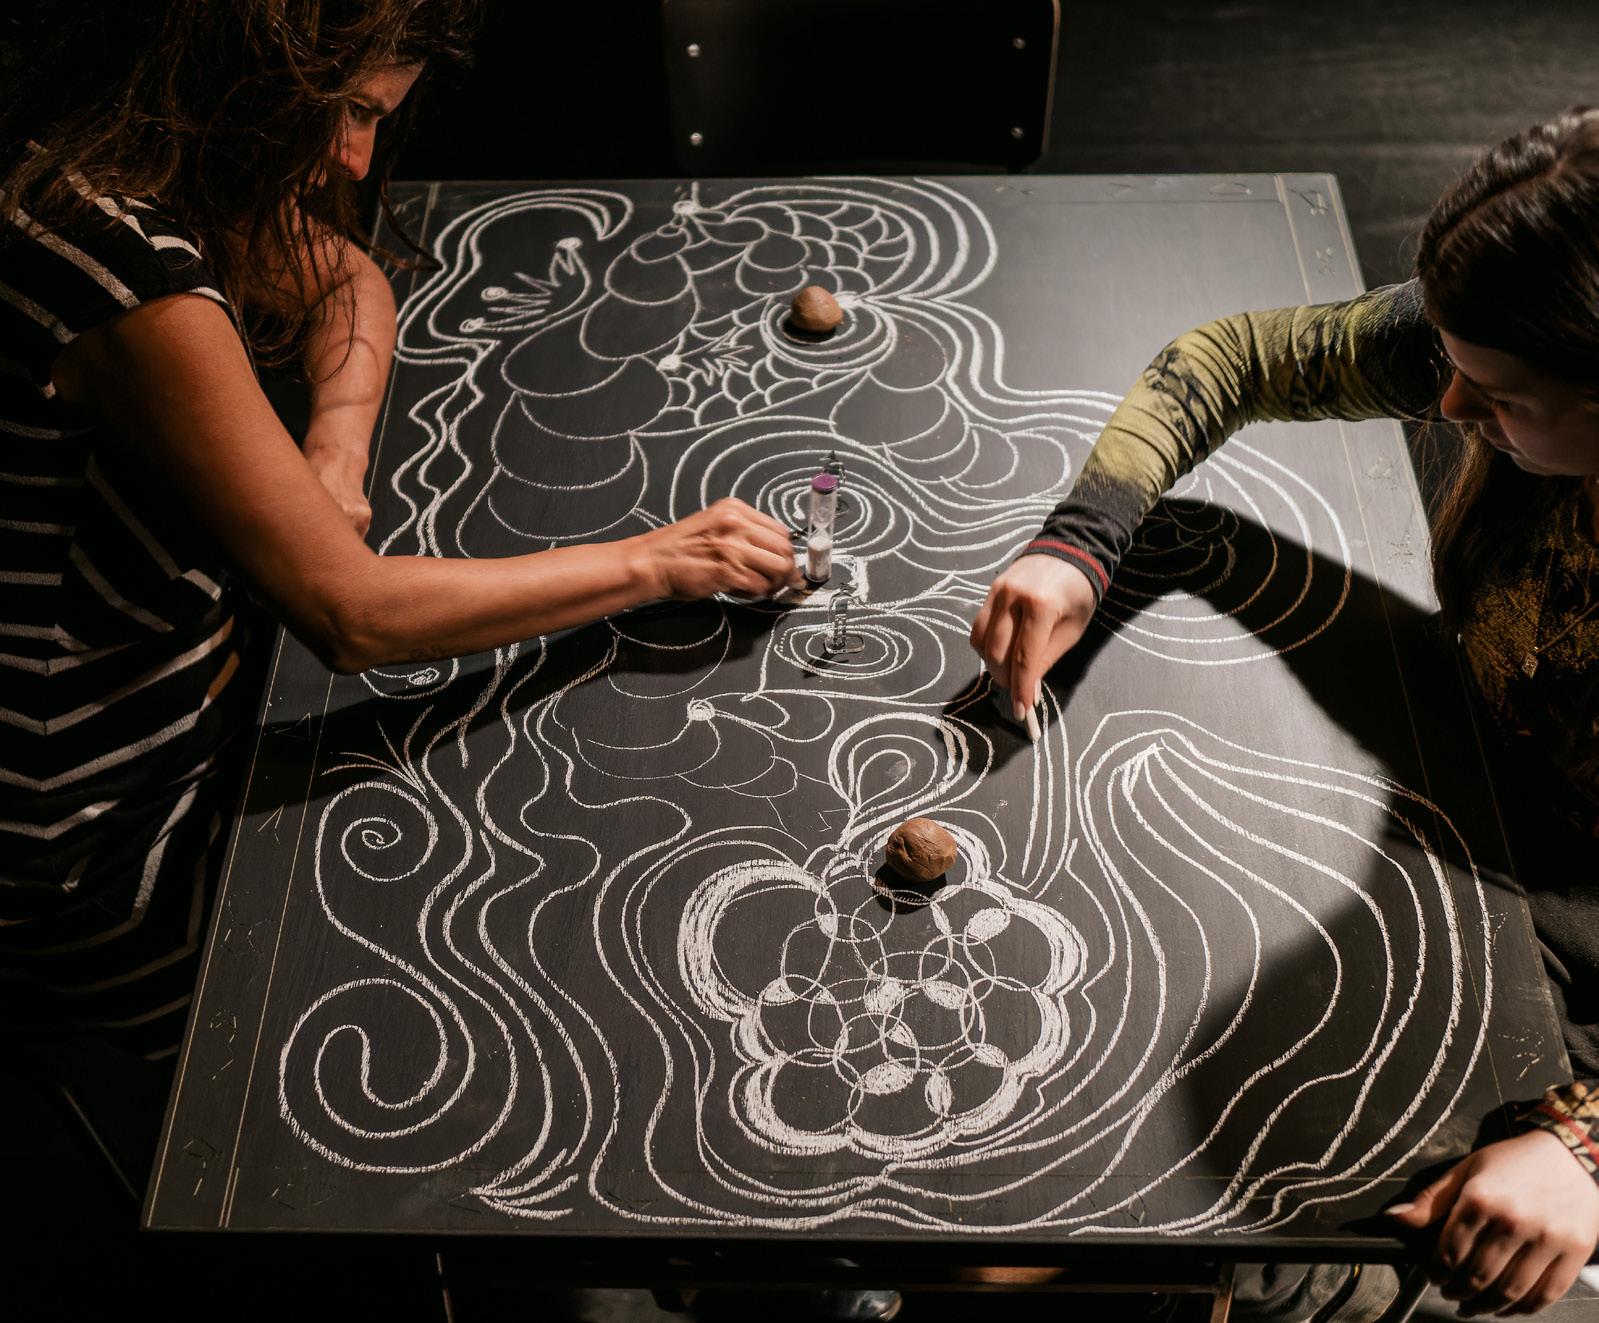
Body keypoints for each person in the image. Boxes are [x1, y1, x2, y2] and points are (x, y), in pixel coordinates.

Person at [0, 0, 797, 1118]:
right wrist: (661, 561)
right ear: (250, 63)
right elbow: (354, 616)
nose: (357, 158)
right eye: (350, 110)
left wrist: (334, 447)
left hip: (204, 694)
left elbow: (343, 279)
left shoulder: (125, 159)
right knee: (489, 1000)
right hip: (98, 835)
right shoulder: (116, 270)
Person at [972, 107, 1599, 1318]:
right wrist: (1080, 543)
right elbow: (1227, 360)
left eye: (1498, 396)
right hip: (1449, 793)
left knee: (1211, 1249)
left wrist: (1582, 1151)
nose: (1449, 404)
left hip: (1568, 960)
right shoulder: (1514, 337)